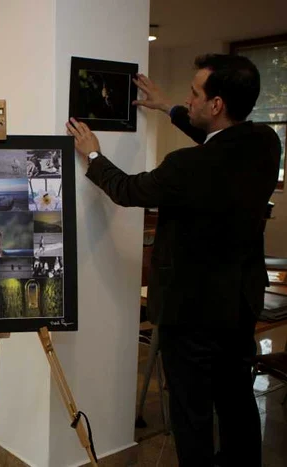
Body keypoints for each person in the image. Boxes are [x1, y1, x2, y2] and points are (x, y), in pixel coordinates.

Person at [66, 54, 281, 467]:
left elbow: (128, 190)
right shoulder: (265, 144)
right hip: (239, 304)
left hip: (191, 313)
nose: (188, 98)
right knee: (237, 400)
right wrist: (168, 107)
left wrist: (93, 155)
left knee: (191, 412)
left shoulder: (187, 166)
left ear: (216, 104)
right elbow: (220, 145)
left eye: (194, 94)